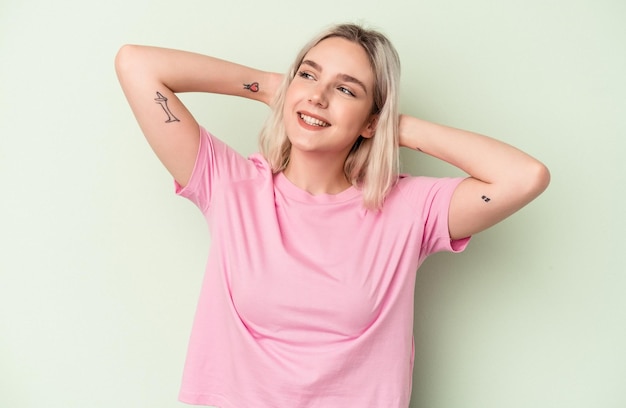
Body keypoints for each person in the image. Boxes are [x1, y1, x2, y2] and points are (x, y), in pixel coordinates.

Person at [115, 23, 549, 408]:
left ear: (370, 120)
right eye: (308, 74)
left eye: (346, 89)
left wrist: (397, 128)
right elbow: (135, 64)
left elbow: (525, 176)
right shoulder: (231, 187)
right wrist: (271, 87)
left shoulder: (408, 208)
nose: (318, 96)